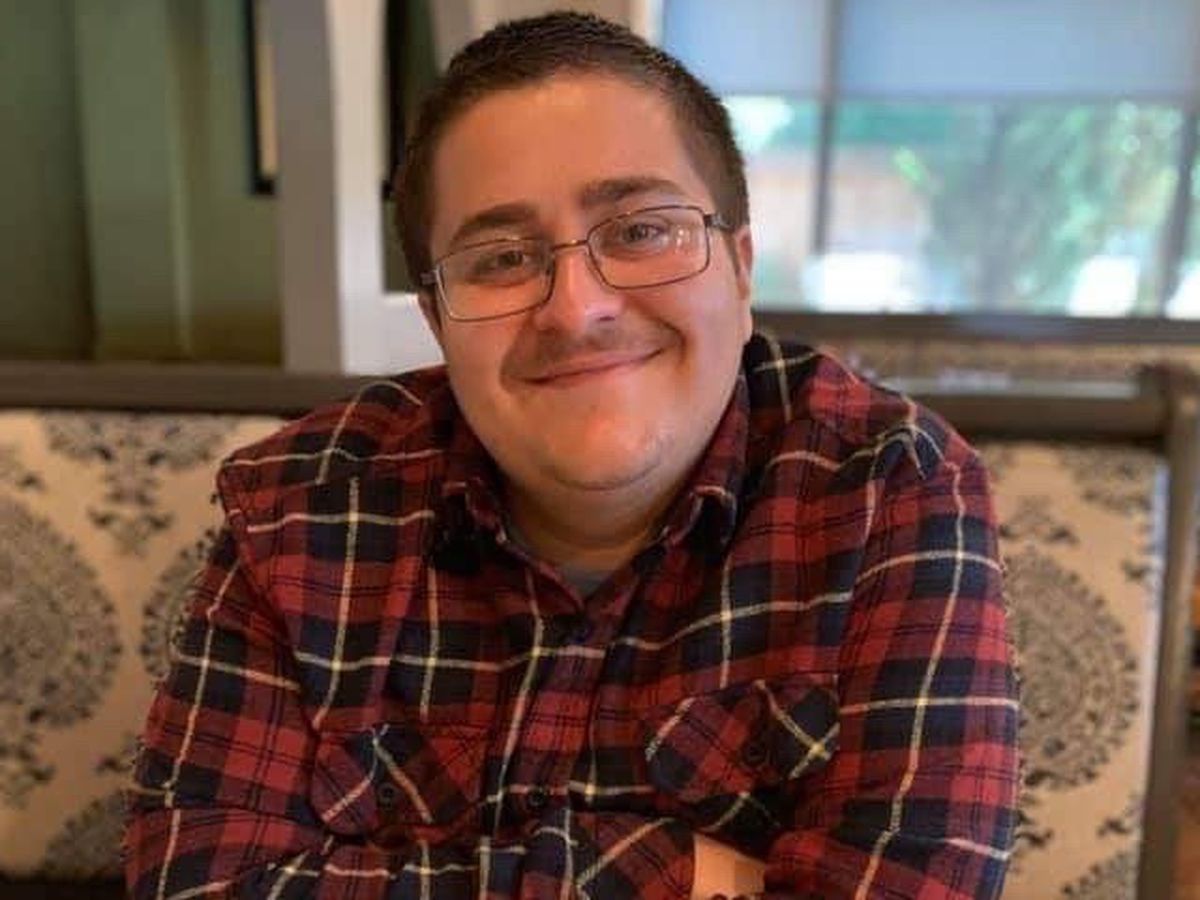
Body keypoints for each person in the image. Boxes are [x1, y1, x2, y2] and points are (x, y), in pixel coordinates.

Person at [126, 11, 1018, 899]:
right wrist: (678, 873)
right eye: (501, 258)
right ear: (437, 320)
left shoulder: (889, 490)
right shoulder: (303, 506)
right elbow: (198, 884)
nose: (576, 309)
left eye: (640, 231)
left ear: (740, 269)